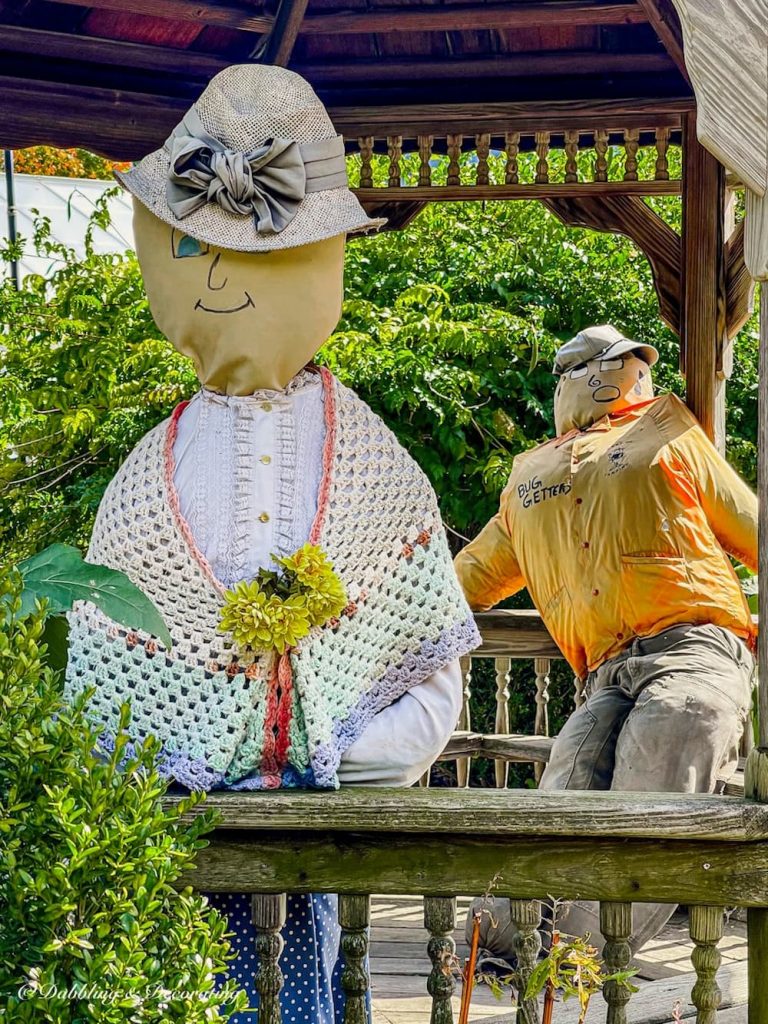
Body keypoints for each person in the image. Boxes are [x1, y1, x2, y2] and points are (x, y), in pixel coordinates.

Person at [64, 64, 480, 1023]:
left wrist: (326, 753)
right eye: (193, 246)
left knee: (306, 995)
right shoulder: (145, 482)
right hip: (180, 854)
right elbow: (98, 681)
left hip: (314, 846)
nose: (218, 275)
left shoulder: (373, 469)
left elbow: (430, 682)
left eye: (257, 252)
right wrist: (180, 758)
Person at [455, 323, 757, 954]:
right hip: (606, 671)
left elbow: (755, 529)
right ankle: (499, 948)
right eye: (608, 363)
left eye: (625, 361)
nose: (623, 373)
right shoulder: (528, 478)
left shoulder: (670, 430)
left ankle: (583, 961)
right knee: (564, 792)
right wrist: (367, 607)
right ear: (571, 377)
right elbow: (468, 578)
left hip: (696, 649)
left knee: (673, 742)